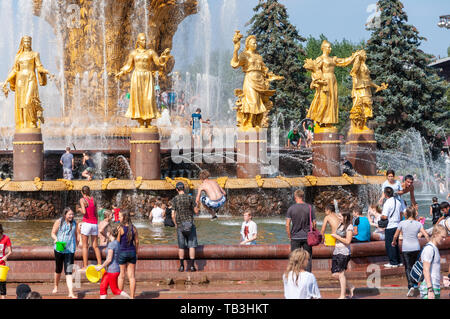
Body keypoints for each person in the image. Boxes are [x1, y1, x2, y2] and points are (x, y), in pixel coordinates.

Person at [115, 33, 171, 128]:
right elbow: (129, 65)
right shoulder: (133, 53)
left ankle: (149, 121)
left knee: (149, 98)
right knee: (139, 98)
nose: (144, 42)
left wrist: (164, 56)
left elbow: (158, 62)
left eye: (145, 40)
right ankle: (141, 122)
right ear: (138, 41)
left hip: (147, 76)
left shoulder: (150, 52)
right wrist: (121, 72)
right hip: (137, 77)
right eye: (142, 40)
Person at [392, 206, 430, 297]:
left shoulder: (402, 223)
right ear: (414, 213)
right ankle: (416, 284)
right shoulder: (418, 224)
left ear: (406, 214)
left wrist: (393, 242)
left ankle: (411, 286)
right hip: (416, 248)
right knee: (415, 267)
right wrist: (430, 244)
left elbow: (395, 235)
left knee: (408, 268)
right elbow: (426, 235)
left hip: (406, 248)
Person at [95, 226, 131, 299]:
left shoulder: (111, 244)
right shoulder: (117, 243)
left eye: (106, 232)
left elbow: (109, 259)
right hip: (111, 270)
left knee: (115, 290)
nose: (105, 233)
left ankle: (129, 298)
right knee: (103, 287)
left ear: (109, 233)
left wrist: (101, 267)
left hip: (112, 270)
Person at [171, 182, 199, 272]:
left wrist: (176, 224)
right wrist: (196, 206)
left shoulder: (175, 199)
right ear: (184, 188)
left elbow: (172, 215)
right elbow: (196, 211)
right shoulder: (190, 197)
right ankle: (192, 266)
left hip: (180, 225)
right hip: (190, 224)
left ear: (177, 189)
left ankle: (182, 266)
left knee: (181, 247)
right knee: (191, 246)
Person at [285, 189, 316, 272]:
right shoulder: (310, 208)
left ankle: (295, 275)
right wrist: (312, 231)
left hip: (295, 237)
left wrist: (289, 236)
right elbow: (314, 223)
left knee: (294, 258)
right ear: (303, 196)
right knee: (308, 258)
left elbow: (287, 225)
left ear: (295, 197)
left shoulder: (291, 208)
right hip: (307, 237)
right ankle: (308, 275)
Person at [50, 207, 78, 298]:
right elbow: (53, 233)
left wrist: (77, 242)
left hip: (70, 249)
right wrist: (56, 239)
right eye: (69, 214)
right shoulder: (59, 221)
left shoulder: (74, 223)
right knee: (58, 269)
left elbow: (76, 234)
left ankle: (71, 292)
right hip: (59, 248)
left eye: (72, 214)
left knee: (69, 271)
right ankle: (56, 286)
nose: (71, 216)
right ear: (65, 214)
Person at [330, 211, 355, 299]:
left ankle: (342, 296)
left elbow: (348, 241)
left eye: (340, 216)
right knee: (334, 273)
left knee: (341, 273)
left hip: (344, 252)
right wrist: (330, 241)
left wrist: (336, 237)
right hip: (336, 251)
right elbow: (337, 238)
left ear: (345, 217)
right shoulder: (340, 225)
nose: (338, 217)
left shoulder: (349, 227)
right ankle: (350, 285)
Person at [419, 224, 447, 299]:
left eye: (445, 237)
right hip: (429, 289)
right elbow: (426, 270)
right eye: (442, 237)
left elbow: (433, 270)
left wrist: (442, 278)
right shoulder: (429, 249)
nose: (444, 240)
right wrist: (430, 290)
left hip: (435, 287)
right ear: (435, 234)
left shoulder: (435, 248)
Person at [117, 211, 139, 299]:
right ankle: (132, 297)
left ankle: (120, 296)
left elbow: (118, 242)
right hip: (132, 252)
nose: (118, 218)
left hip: (122, 253)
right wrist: (136, 252)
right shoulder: (134, 228)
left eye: (120, 217)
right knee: (132, 276)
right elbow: (136, 241)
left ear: (124, 217)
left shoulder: (120, 228)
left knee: (121, 276)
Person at [79, 186, 102, 270]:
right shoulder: (94, 199)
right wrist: (96, 223)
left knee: (85, 246)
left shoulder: (82, 200)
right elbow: (96, 213)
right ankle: (100, 264)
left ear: (82, 192)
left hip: (86, 224)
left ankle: (85, 266)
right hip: (94, 224)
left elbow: (84, 212)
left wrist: (79, 209)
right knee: (95, 246)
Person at [380, 186, 402, 268]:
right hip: (397, 225)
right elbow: (401, 213)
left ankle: (393, 262)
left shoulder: (387, 203)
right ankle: (399, 261)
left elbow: (385, 216)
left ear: (385, 194)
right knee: (395, 244)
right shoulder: (398, 201)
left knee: (390, 245)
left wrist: (381, 217)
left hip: (390, 226)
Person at [0, 224, 12, 299]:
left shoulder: (6, 238)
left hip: (2, 263)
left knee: (2, 282)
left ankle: (3, 297)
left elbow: (10, 251)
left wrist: (6, 256)